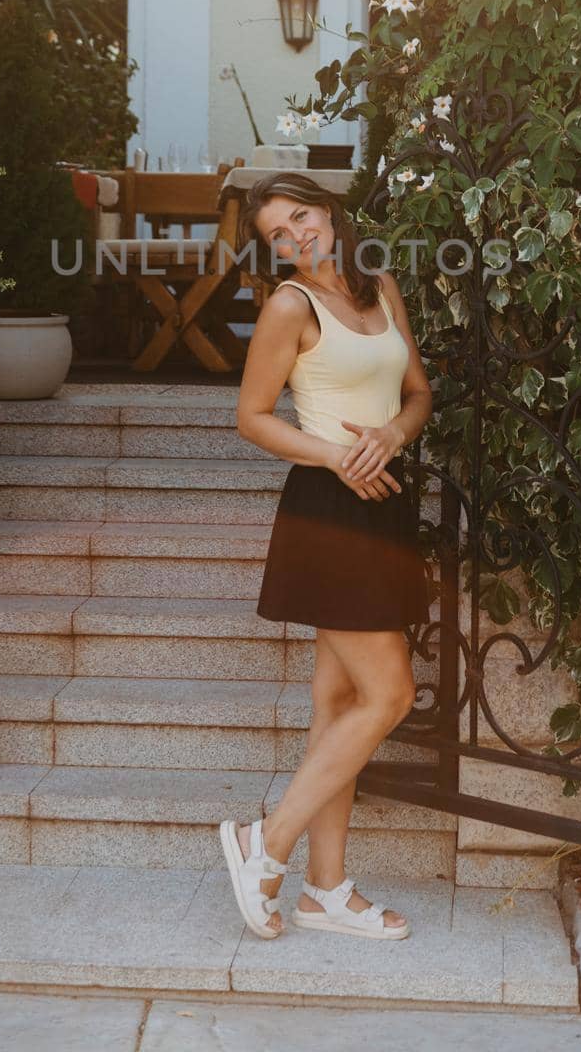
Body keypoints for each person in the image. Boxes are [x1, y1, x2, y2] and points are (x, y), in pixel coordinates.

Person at [219, 171, 433, 941]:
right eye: (277, 233)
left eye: (301, 217)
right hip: (329, 513)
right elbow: (250, 417)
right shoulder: (289, 305)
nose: (295, 237)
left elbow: (417, 391)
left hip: (386, 504)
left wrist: (393, 436)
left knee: (341, 705)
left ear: (330, 212)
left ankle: (325, 892)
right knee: (391, 696)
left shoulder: (377, 284)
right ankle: (265, 843)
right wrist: (336, 457)